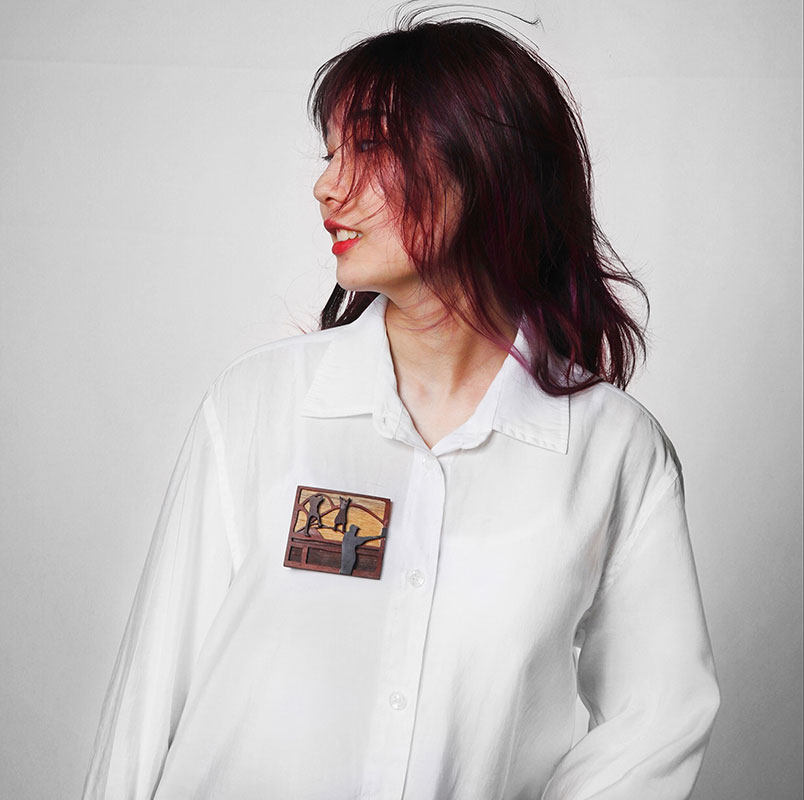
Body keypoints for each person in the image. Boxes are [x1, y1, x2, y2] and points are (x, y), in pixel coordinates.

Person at [83, 12, 720, 800]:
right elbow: (151, 695)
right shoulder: (259, 407)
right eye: (331, 154)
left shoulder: (613, 450)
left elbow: (657, 721)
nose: (327, 187)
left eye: (372, 147)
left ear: (486, 168)